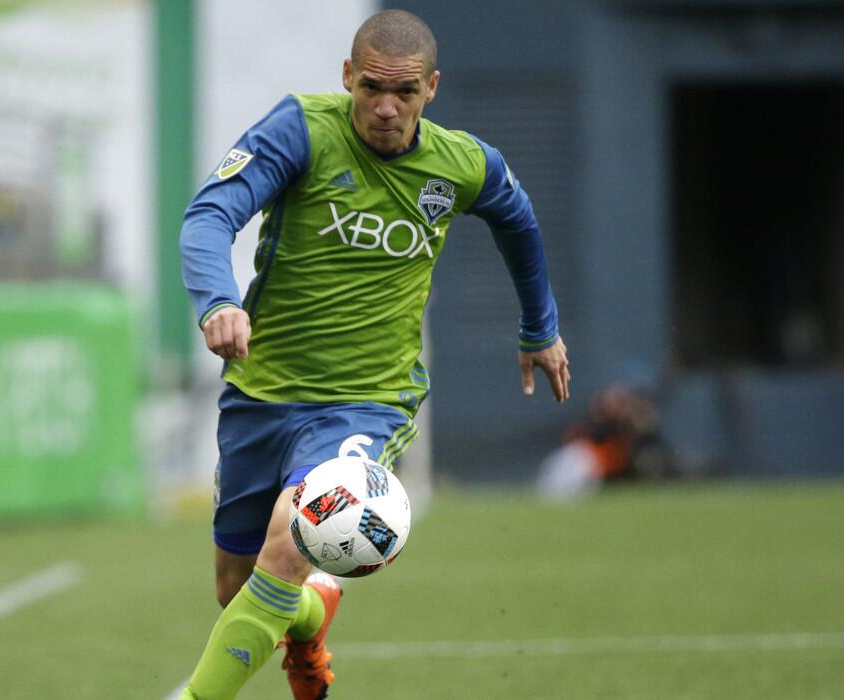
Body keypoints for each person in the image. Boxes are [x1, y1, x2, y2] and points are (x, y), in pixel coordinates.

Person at [178, 10, 570, 700]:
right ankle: (308, 625)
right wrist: (217, 299)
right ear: (347, 78)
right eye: (371, 90)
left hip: (367, 401)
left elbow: (518, 220)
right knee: (235, 587)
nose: (386, 109)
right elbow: (212, 212)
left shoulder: (463, 164)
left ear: (432, 89)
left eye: (405, 93)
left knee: (286, 541)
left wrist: (540, 328)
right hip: (261, 391)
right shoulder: (301, 128)